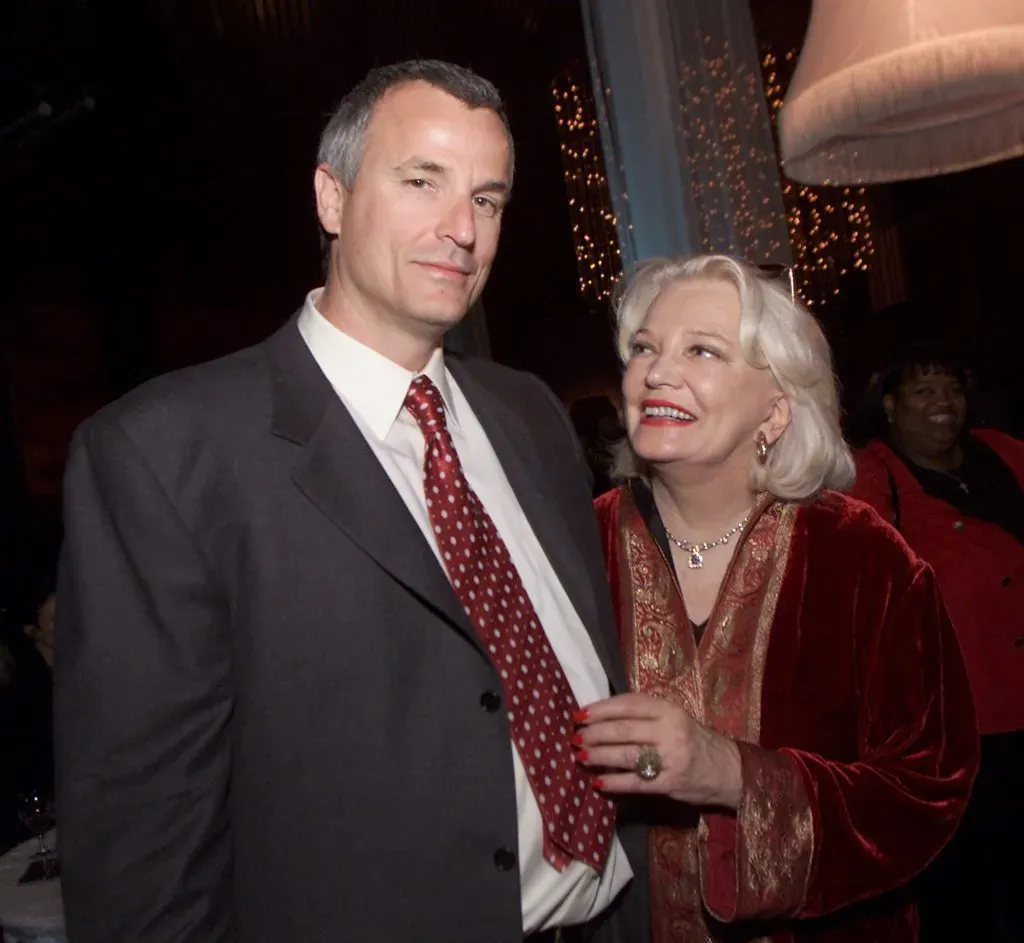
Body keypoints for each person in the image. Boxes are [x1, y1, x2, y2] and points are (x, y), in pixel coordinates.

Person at [54, 60, 646, 943]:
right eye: (422, 182)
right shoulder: (165, 453)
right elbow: (143, 851)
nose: (462, 230)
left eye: (487, 199)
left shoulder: (527, 412)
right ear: (331, 198)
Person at [575, 254, 978, 942]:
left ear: (775, 409)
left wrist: (733, 774)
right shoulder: (573, 544)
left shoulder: (861, 554)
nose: (656, 371)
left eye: (702, 350)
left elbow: (929, 786)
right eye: (644, 347)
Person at [850, 348, 1024, 943]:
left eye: (951, 389)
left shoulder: (1001, 452)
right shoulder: (874, 475)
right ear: (890, 406)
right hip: (958, 714)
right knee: (968, 880)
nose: (943, 403)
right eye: (924, 391)